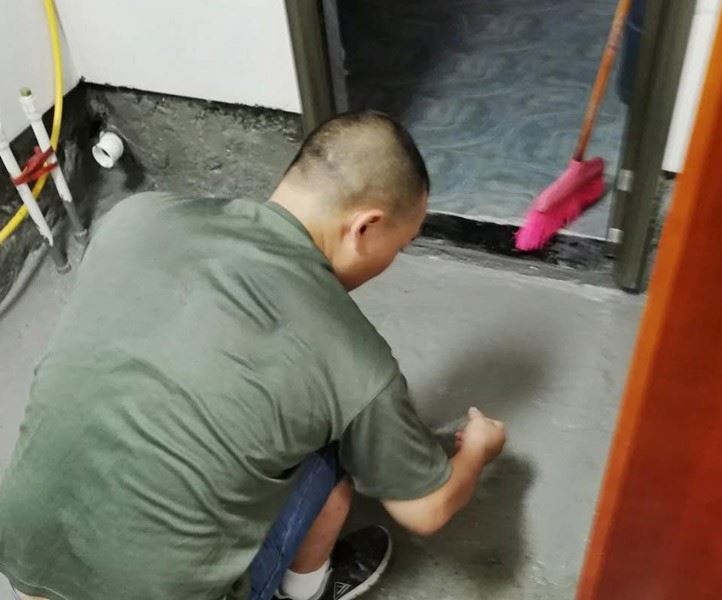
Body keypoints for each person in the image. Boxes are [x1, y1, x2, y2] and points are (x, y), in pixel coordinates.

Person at [0, 111, 506, 600]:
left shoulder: (134, 217)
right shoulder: (354, 360)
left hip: (21, 568)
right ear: (364, 228)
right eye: (400, 245)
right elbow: (427, 509)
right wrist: (478, 450)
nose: (392, 260)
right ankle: (308, 590)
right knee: (333, 451)